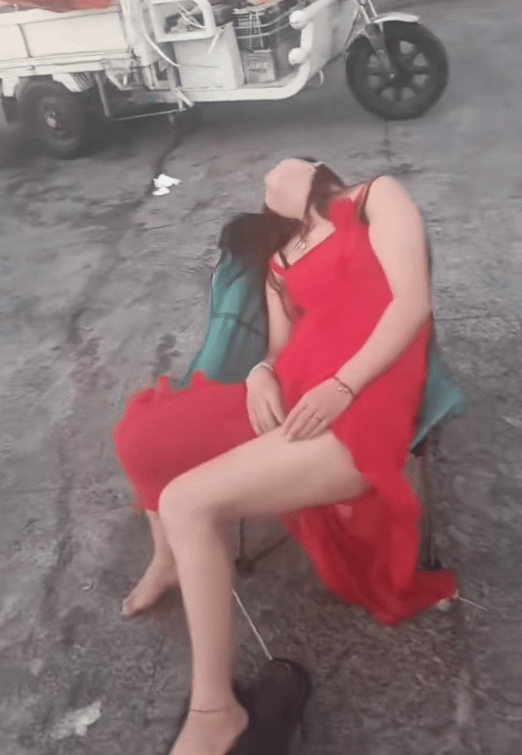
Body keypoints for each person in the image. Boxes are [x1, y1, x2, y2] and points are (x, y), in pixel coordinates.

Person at [112, 157, 458, 755]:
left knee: (187, 501)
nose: (273, 172)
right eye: (266, 180)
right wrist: (259, 373)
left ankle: (215, 712)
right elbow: (279, 349)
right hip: (295, 394)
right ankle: (167, 561)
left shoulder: (376, 198)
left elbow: (411, 304)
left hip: (361, 402)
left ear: (318, 168)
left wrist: (344, 384)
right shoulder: (280, 257)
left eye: (284, 165)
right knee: (139, 435)